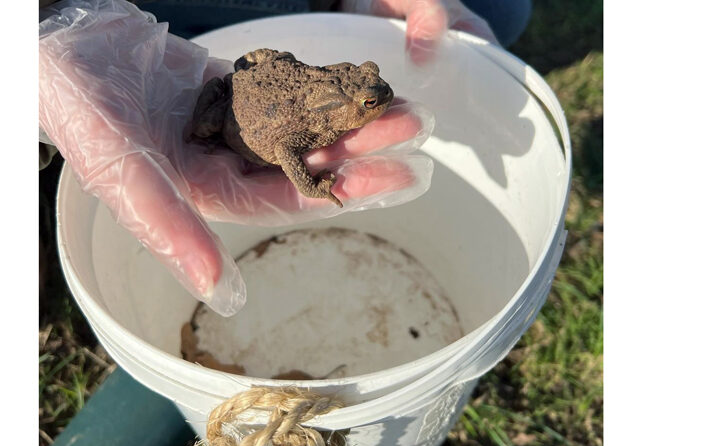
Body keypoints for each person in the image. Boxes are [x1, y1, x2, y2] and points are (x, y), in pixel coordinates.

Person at [39, 0, 531, 316]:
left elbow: (270, 74)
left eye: (371, 83)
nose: (378, 97)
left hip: (266, 74)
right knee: (211, 121)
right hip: (240, 113)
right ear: (344, 112)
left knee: (508, 12)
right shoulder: (319, 121)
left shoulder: (333, 105)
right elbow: (285, 148)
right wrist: (312, 185)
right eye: (368, 105)